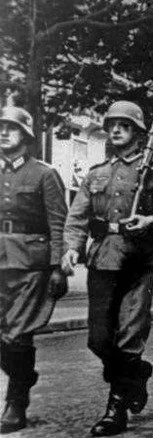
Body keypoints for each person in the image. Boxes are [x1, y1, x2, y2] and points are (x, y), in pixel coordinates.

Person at [62, 101, 153, 436]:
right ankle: (137, 374)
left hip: (138, 260)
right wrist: (71, 248)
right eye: (112, 125)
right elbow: (78, 216)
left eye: (124, 126)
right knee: (98, 339)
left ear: (139, 134)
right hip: (102, 259)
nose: (115, 130)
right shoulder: (97, 173)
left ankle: (116, 408)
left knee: (128, 336)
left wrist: (149, 221)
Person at [0, 106, 68, 434]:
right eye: (1, 127)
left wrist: (58, 267)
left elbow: (58, 222)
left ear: (26, 137)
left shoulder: (44, 174)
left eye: (11, 128)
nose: (3, 132)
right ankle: (24, 376)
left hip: (30, 265)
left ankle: (16, 402)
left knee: (17, 336)